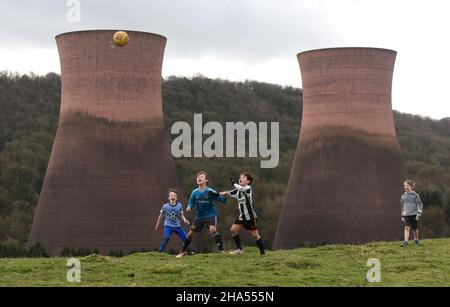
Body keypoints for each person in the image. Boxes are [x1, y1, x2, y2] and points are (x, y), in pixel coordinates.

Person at [176, 171, 227, 258]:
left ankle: (222, 251)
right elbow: (191, 203)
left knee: (212, 229)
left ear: (206, 180)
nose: (199, 178)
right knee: (190, 234)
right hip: (200, 216)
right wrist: (189, 207)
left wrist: (225, 195)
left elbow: (222, 200)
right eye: (198, 177)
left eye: (202, 176)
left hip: (211, 214)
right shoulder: (194, 192)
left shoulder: (210, 191)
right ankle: (182, 252)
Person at [220, 173, 265, 255]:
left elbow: (242, 189)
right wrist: (214, 194)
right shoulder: (237, 191)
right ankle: (239, 250)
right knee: (233, 230)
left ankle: (262, 252)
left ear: (248, 181)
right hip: (242, 217)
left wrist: (234, 183)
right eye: (240, 177)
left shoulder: (248, 188)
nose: (241, 178)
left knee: (255, 235)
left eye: (243, 177)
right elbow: (227, 193)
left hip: (250, 217)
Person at [401, 179, 424, 247]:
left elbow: (420, 204)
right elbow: (403, 206)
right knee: (406, 228)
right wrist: (402, 215)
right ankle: (406, 241)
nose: (406, 187)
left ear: (412, 187)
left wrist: (419, 212)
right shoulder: (402, 196)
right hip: (406, 215)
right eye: (405, 186)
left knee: (415, 229)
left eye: (408, 185)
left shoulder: (415, 195)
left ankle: (416, 239)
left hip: (414, 215)